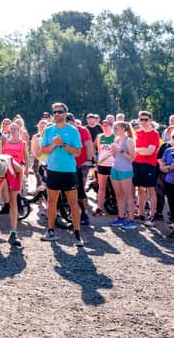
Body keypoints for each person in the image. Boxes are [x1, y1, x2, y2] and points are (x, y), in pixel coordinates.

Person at [39, 103, 84, 247]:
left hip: (69, 171)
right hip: (53, 171)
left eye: (59, 111)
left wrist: (62, 144)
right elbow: (44, 150)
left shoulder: (73, 130)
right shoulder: (48, 130)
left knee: (73, 203)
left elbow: (77, 152)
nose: (57, 114)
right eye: (55, 112)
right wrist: (54, 144)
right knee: (52, 202)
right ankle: (50, 231)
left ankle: (77, 235)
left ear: (65, 113)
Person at [0, 154, 24, 246]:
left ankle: (13, 233)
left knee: (13, 202)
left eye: (1, 178)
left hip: (13, 175)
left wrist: (19, 187)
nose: (0, 179)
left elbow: (21, 171)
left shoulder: (12, 165)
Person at [108, 121, 137, 229]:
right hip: (115, 168)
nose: (114, 130)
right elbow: (116, 157)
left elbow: (132, 158)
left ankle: (131, 220)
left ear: (124, 129)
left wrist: (119, 150)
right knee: (118, 195)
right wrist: (113, 151)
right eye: (114, 128)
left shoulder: (129, 141)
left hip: (125, 170)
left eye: (117, 128)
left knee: (128, 195)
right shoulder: (116, 140)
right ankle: (120, 217)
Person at [133, 111, 160, 225]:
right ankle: (141, 213)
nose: (143, 122)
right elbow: (134, 149)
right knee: (140, 190)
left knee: (151, 191)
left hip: (149, 165)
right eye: (141, 119)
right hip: (137, 164)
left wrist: (138, 150)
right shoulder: (137, 133)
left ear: (150, 120)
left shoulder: (154, 134)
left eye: (146, 119)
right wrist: (141, 150)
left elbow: (150, 151)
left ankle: (152, 215)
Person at [94, 119, 115, 215]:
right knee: (101, 187)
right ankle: (99, 207)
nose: (104, 127)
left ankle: (119, 207)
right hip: (102, 164)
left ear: (111, 126)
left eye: (106, 125)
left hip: (113, 165)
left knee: (116, 188)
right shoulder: (99, 137)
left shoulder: (115, 137)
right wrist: (97, 161)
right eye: (102, 125)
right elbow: (99, 150)